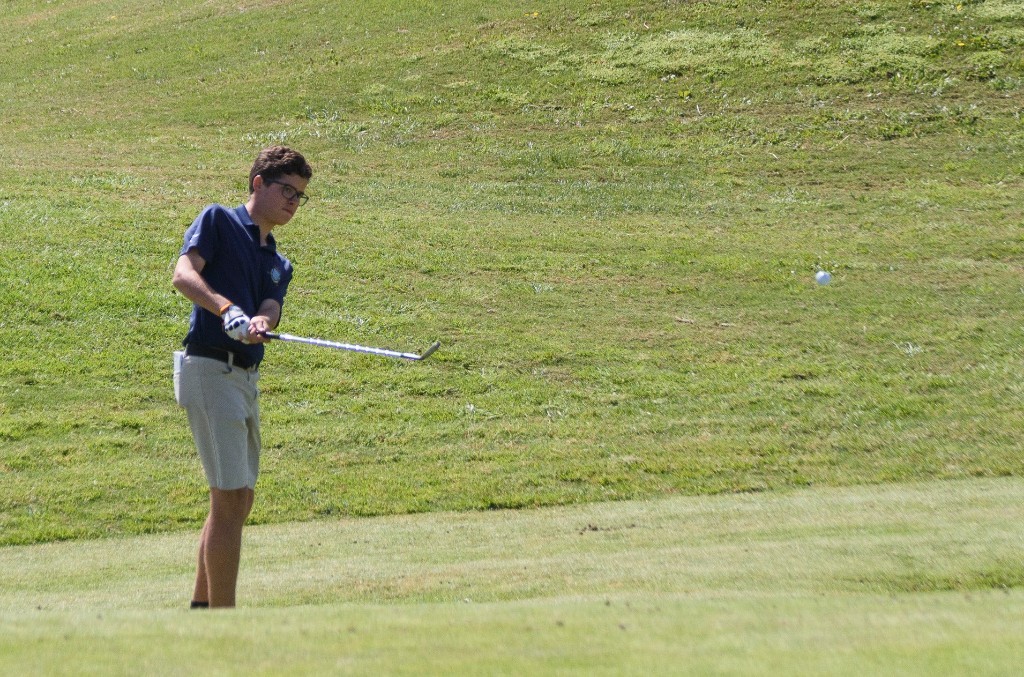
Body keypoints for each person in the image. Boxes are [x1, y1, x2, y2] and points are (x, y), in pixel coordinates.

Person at [172, 146, 312, 608]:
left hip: (244, 379)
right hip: (209, 368)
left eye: (301, 196)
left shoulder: (279, 261)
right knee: (230, 500)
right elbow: (184, 274)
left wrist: (261, 323)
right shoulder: (218, 221)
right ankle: (224, 623)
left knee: (237, 501)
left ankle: (201, 608)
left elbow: (271, 304)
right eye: (286, 190)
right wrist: (226, 308)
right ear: (258, 184)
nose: (293, 201)